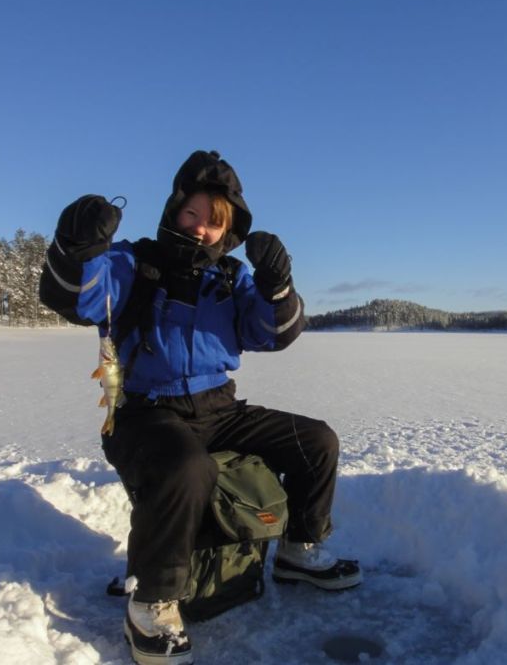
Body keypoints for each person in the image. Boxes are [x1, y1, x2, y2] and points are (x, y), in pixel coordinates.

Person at [39, 150, 361, 664]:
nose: (201, 229)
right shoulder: (133, 264)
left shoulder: (230, 280)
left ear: (228, 230)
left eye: (215, 222)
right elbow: (76, 294)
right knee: (187, 468)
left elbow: (275, 333)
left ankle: (300, 551)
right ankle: (151, 601)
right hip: (145, 412)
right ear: (173, 211)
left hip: (218, 408)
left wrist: (279, 284)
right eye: (193, 214)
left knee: (317, 440)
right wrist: (75, 244)